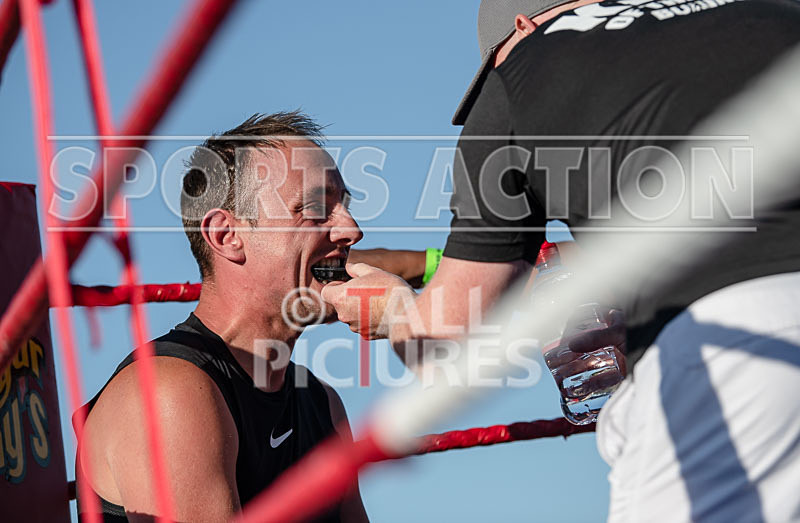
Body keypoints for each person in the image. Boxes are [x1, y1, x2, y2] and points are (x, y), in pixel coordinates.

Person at [322, 0, 800, 521]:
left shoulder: (523, 73)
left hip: (746, 351)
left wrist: (393, 311)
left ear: (523, 26)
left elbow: (442, 341)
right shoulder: (764, 10)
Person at [74, 112, 370, 522]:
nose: (351, 230)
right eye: (317, 209)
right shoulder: (172, 393)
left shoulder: (322, 403)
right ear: (227, 236)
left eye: (345, 207)